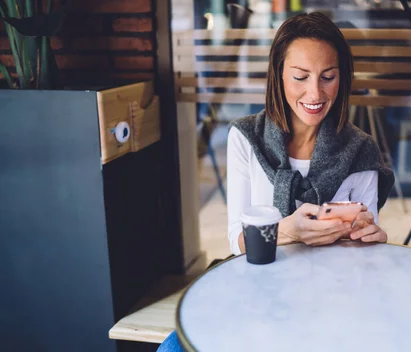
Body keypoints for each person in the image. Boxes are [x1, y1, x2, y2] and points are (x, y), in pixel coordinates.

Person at [157, 12, 394, 351]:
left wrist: (373, 242)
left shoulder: (361, 151)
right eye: (300, 77)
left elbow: (359, 266)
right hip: (254, 289)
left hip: (329, 300)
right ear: (278, 75)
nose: (315, 92)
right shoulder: (246, 138)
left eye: (328, 77)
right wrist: (289, 231)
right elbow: (237, 241)